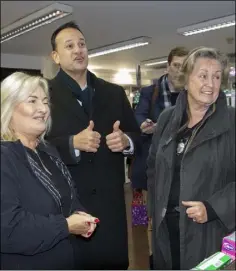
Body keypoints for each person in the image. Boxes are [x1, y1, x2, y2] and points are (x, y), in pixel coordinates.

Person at [46, 21, 140, 269]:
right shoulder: (43, 95)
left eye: (82, 44)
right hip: (67, 207)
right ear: (55, 56)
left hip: (110, 208)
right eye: (69, 46)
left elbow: (138, 137)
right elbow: (32, 147)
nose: (78, 50)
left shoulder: (114, 93)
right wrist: (71, 144)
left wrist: (126, 141)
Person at [147, 46, 235, 270]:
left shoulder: (232, 122)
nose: (211, 83)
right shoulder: (167, 119)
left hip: (209, 231)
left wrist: (213, 208)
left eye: (216, 77)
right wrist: (153, 211)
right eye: (203, 76)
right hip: (166, 230)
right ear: (186, 80)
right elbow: (153, 169)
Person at [1, 72, 99, 270]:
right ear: (8, 108)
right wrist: (66, 226)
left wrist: (81, 216)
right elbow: (7, 228)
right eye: (32, 101)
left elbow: (68, 198)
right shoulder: (5, 157)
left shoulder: (47, 150)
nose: (43, 109)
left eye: (45, 102)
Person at [131, 46, 189, 267]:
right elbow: (137, 119)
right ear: (167, 66)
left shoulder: (190, 94)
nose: (179, 71)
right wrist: (145, 126)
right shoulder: (150, 92)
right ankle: (145, 259)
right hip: (145, 173)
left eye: (184, 66)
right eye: (176, 65)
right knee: (142, 221)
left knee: (168, 219)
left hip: (177, 171)